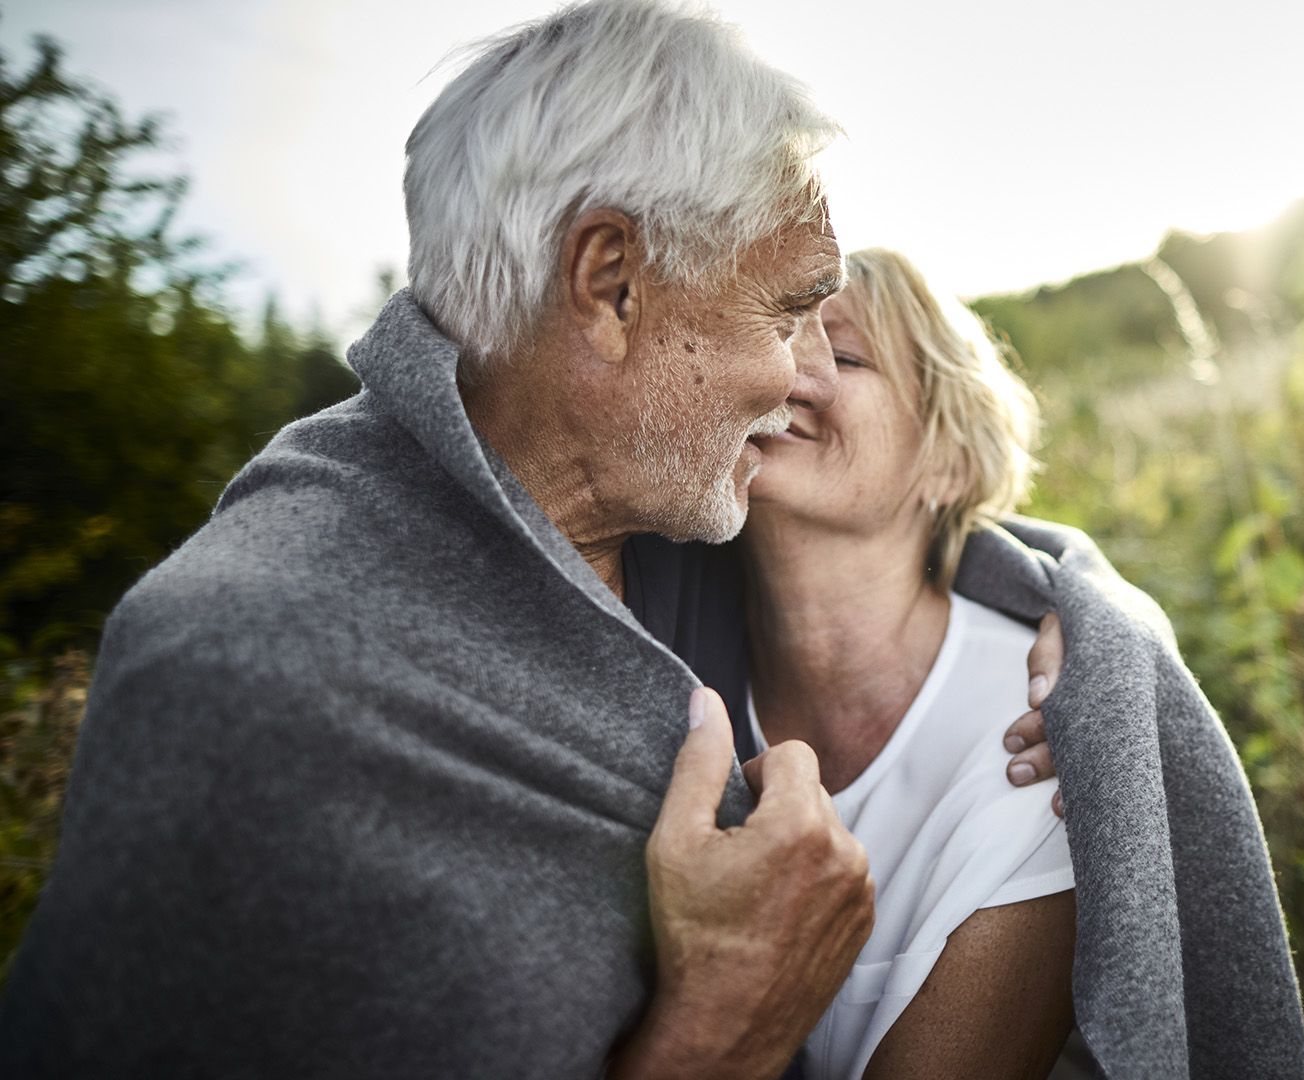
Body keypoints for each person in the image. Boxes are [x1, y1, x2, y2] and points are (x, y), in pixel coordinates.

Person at [0, 3, 1064, 1077]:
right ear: (610, 284)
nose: (799, 378)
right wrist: (726, 1028)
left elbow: (934, 527)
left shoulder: (658, 521)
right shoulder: (246, 676)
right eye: (786, 313)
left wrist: (1092, 624)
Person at [732, 249, 1074, 1080]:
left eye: (843, 356)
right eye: (772, 338)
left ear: (949, 461)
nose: (790, 374)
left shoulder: (1036, 736)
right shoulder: (662, 660)